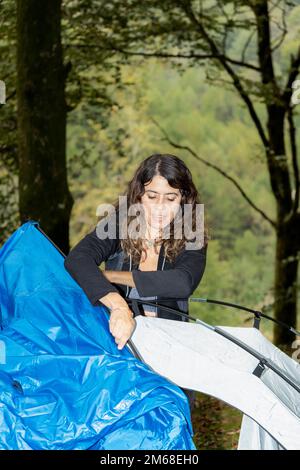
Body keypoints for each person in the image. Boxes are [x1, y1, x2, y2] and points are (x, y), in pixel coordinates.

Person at [64, 153, 209, 412]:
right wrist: (119, 306)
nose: (160, 208)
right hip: (117, 347)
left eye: (171, 198)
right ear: (139, 195)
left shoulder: (192, 234)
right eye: (152, 196)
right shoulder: (119, 222)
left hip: (170, 353)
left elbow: (182, 282)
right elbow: (77, 259)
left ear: (184, 199)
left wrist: (107, 277)